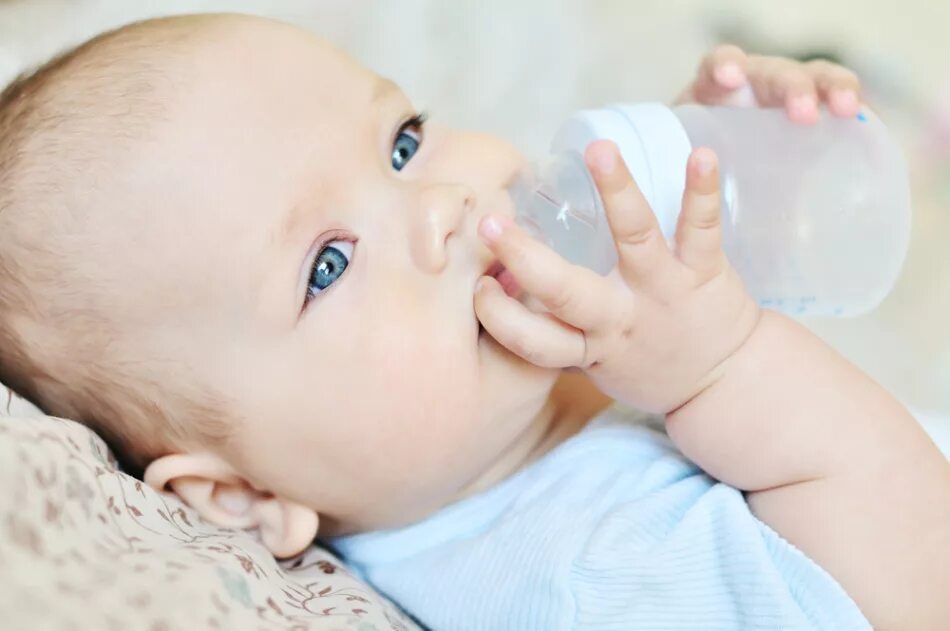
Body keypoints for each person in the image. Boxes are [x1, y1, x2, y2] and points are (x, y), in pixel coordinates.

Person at [0, 13, 946, 630]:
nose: (443, 202)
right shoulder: (579, 579)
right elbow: (917, 583)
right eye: (327, 264)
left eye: (402, 141)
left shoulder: (499, 437)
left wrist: (713, 182)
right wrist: (722, 367)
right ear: (241, 497)